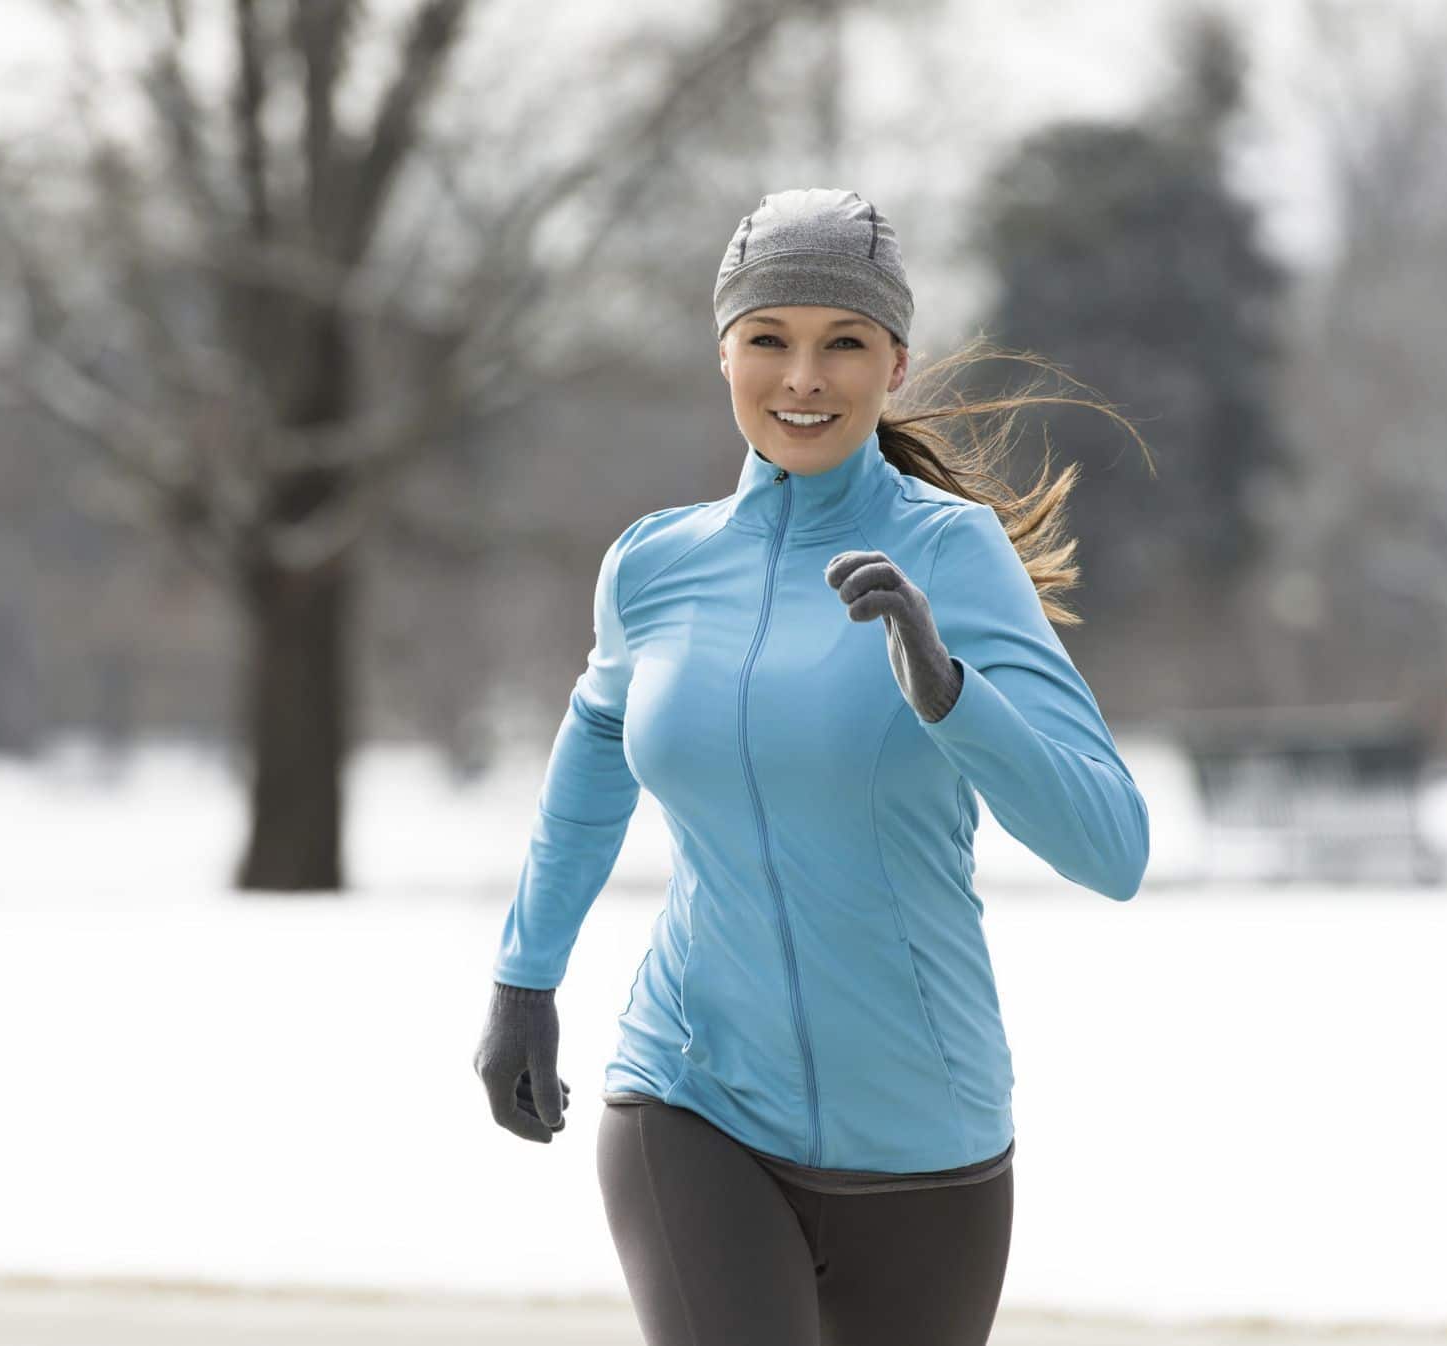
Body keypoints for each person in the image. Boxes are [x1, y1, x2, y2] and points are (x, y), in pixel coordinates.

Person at [472, 187, 1154, 1346]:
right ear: (722, 352)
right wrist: (523, 978)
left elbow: (1113, 844)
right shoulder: (652, 565)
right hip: (689, 1094)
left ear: (893, 362)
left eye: (842, 342)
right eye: (768, 340)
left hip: (923, 1136)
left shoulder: (952, 554)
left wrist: (949, 694)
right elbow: (594, 750)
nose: (802, 377)